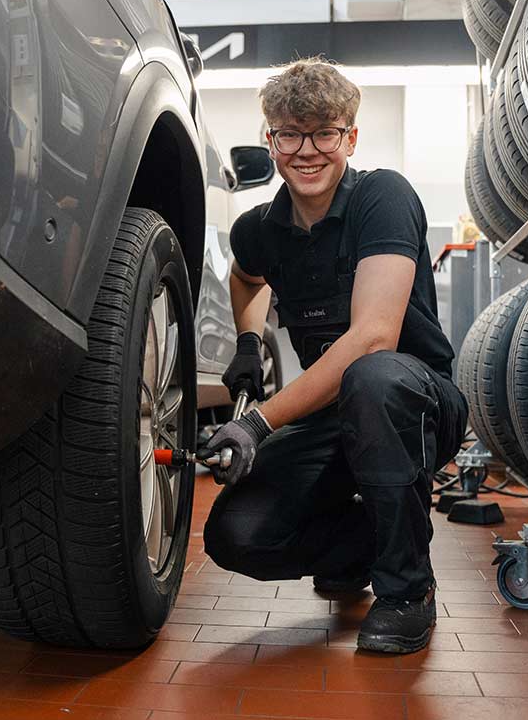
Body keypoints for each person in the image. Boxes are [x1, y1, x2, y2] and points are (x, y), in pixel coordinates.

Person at [200, 58, 469, 654]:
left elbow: (374, 337)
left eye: (324, 132)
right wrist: (248, 340)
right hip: (337, 418)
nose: (307, 150)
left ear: (350, 136)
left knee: (373, 377)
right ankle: (367, 542)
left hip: (416, 404)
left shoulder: (382, 197)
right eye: (290, 134)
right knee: (237, 534)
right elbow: (244, 279)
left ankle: (407, 592)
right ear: (271, 141)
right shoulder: (261, 229)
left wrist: (257, 421)